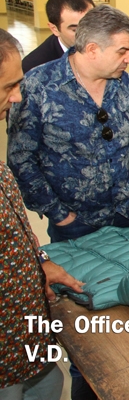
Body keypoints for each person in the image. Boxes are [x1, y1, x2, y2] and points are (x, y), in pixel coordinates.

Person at [8, 4, 129, 243]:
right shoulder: (38, 86)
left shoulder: (126, 85)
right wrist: (59, 214)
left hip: (125, 213)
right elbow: (21, 157)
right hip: (73, 223)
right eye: (122, 51)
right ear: (92, 49)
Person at [0, 28, 85, 400]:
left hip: (26, 326)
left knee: (50, 384)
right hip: (5, 343)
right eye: (9, 86)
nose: (17, 96)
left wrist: (40, 262)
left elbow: (12, 228)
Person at [22, 0, 95, 73]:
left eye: (92, 25)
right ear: (54, 29)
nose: (88, 34)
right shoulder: (35, 68)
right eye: (75, 30)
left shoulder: (105, 43)